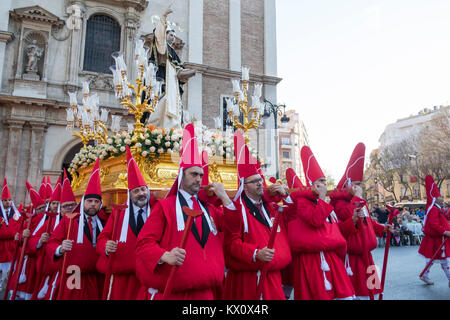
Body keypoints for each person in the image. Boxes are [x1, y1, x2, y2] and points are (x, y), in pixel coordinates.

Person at [135, 124, 238, 300]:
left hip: (206, 293)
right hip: (174, 294)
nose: (199, 179)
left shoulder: (208, 209)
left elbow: (234, 227)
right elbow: (144, 244)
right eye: (194, 174)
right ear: (182, 176)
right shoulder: (165, 207)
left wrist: (225, 197)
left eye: (200, 175)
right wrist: (164, 255)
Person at [221, 131, 292, 300]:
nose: (261, 183)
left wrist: (286, 196)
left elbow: (295, 217)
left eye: (260, 179)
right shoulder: (238, 209)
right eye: (255, 181)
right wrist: (255, 253)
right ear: (244, 187)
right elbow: (231, 244)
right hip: (248, 281)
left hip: (273, 278)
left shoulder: (271, 206)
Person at [285, 146, 356, 300]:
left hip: (331, 257)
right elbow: (315, 221)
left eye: (325, 181)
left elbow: (335, 229)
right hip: (312, 260)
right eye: (321, 181)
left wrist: (354, 220)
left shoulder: (324, 203)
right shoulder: (303, 202)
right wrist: (323, 199)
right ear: (312, 183)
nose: (324, 184)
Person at [330, 142, 393, 300]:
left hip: (367, 254)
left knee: (371, 291)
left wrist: (382, 229)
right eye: (356, 185)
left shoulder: (359, 201)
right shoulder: (339, 202)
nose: (360, 188)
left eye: (360, 185)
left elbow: (368, 221)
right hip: (352, 256)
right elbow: (346, 216)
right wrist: (357, 198)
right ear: (349, 184)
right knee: (357, 293)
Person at [96, 146, 157, 300]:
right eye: (137, 191)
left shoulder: (158, 210)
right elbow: (103, 238)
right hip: (123, 278)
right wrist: (106, 246)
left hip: (150, 275)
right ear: (130, 194)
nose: (141, 194)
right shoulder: (119, 211)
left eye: (143, 189)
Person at [47, 158, 106, 299]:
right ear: (83, 202)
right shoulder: (69, 220)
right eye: (89, 201)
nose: (93, 204)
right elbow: (52, 243)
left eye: (96, 202)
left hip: (96, 276)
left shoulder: (105, 221)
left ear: (100, 204)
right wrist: (60, 248)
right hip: (74, 273)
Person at [144, 8, 196, 128]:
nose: (173, 37)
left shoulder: (173, 52)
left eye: (174, 35)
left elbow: (178, 73)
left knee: (173, 112)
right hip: (161, 82)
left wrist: (189, 73)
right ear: (165, 34)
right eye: (171, 34)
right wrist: (163, 17)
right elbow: (158, 36)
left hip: (173, 88)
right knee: (161, 109)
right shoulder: (162, 47)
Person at [7, 182, 48, 300]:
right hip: (26, 259)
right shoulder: (29, 221)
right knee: (19, 290)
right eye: (39, 208)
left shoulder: (49, 219)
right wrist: (21, 236)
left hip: (38, 259)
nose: (41, 210)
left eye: (43, 208)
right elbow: (18, 237)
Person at [418, 175, 450, 286]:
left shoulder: (436, 208)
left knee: (433, 259)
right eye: (440, 196)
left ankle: (425, 275)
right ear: (436, 198)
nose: (442, 197)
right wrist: (445, 232)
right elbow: (434, 224)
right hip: (437, 238)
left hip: (439, 238)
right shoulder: (434, 209)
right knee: (442, 259)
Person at [0, 178, 21, 291]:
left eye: (9, 200)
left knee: (11, 271)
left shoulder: (16, 213)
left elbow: (18, 229)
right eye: (5, 200)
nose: (7, 202)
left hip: (12, 248)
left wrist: (10, 233)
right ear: (2, 202)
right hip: (1, 248)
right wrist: (11, 234)